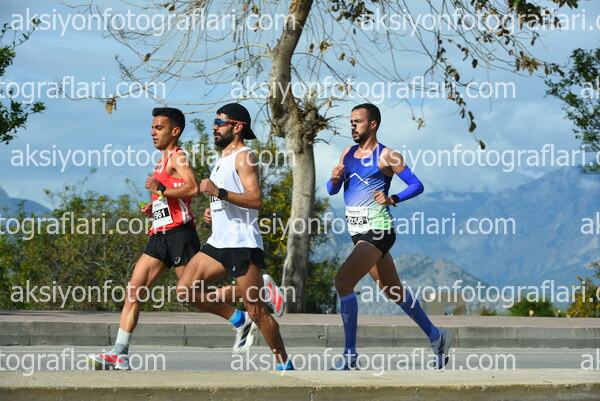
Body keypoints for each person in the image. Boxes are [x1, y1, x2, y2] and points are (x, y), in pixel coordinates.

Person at [326, 103, 452, 370]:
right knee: (392, 290)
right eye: (351, 121)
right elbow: (331, 190)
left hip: (378, 230)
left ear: (373, 124)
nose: (352, 126)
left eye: (358, 121)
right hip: (357, 232)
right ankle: (436, 336)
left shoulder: (387, 156)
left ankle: (350, 355)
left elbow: (417, 185)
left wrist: (392, 198)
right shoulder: (347, 153)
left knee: (343, 282)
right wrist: (335, 179)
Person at [175, 103, 293, 370]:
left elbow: (256, 200)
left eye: (220, 122)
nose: (214, 127)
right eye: (215, 122)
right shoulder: (223, 158)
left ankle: (284, 365)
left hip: (242, 243)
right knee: (185, 290)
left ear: (237, 127)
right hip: (218, 242)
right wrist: (214, 208)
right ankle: (238, 319)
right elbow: (227, 198)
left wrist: (219, 193)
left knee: (257, 311)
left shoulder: (245, 156)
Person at [88, 107, 200, 370]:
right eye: (152, 128)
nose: (152, 132)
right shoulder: (161, 162)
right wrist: (155, 205)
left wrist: (159, 189)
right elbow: (172, 195)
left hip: (180, 235)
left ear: (175, 131)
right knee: (134, 291)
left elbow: (193, 188)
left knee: (193, 294)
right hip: (159, 236)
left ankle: (251, 297)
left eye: (159, 128)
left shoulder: (178, 156)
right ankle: (119, 353)